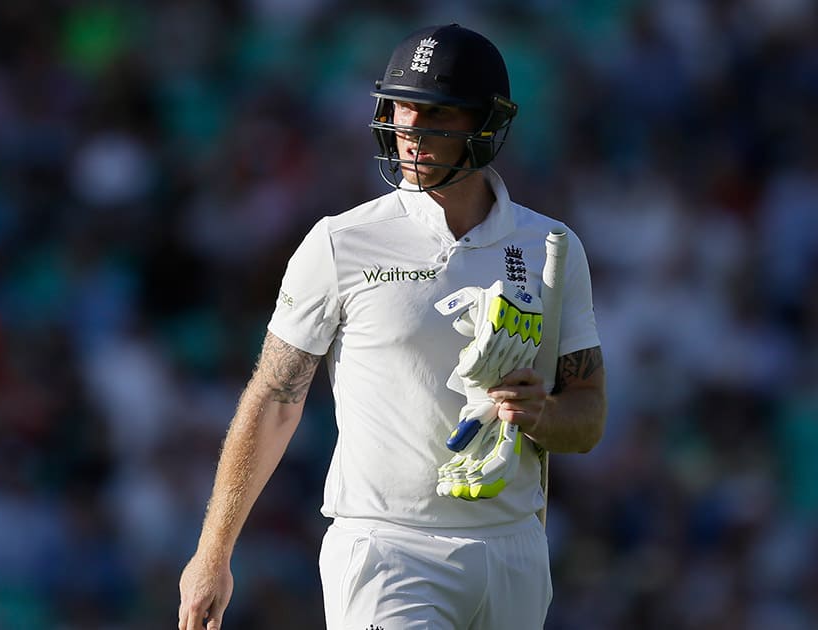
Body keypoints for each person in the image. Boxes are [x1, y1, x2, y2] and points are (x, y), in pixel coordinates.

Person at [178, 23, 606, 630]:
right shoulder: (341, 242)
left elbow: (586, 417)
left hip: (514, 551)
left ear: (485, 124)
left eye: (436, 112)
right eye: (402, 107)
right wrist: (211, 554)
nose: (410, 131)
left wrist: (539, 414)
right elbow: (274, 396)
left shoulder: (550, 248)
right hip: (388, 550)